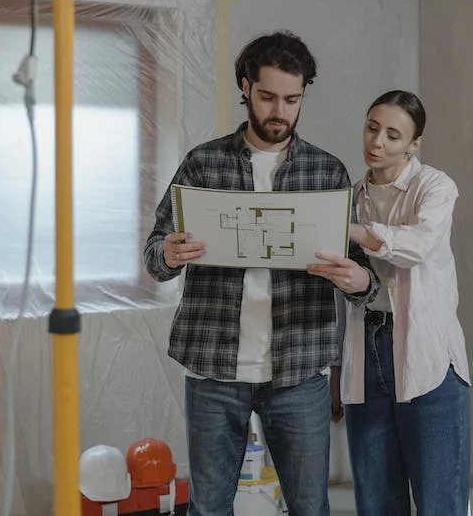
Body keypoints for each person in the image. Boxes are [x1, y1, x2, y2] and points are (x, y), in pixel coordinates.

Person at [143, 30, 379, 516]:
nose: (280, 111)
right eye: (268, 96)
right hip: (213, 365)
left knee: (310, 507)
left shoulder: (327, 172)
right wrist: (168, 253)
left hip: (299, 370)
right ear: (245, 87)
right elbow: (154, 257)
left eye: (293, 100)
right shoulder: (203, 164)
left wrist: (358, 282)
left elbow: (365, 278)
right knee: (209, 507)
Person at [308, 90, 471, 516]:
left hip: (428, 358)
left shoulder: (435, 187)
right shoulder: (351, 197)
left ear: (414, 144)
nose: (377, 142)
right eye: (372, 128)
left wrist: (353, 230)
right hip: (365, 354)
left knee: (440, 502)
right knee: (376, 500)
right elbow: (340, 292)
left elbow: (415, 247)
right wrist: (337, 370)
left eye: (393, 136)